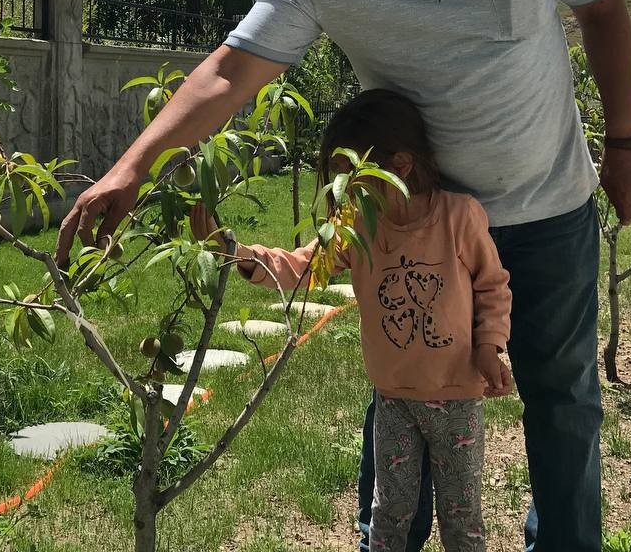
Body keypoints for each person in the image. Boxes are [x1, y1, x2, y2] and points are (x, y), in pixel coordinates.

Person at [57, 0, 631, 552]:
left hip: (548, 204)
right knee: (403, 388)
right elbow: (231, 69)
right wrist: (132, 167)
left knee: (562, 401)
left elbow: (602, 4)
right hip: (413, 225)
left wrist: (624, 143)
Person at [189, 88, 513, 551]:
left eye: (350, 176)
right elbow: (302, 266)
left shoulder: (458, 218)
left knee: (462, 521)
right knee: (388, 513)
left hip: (457, 398)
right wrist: (236, 253)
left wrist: (489, 345)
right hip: (393, 399)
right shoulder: (359, 228)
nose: (341, 190)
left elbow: (492, 286)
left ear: (399, 165)